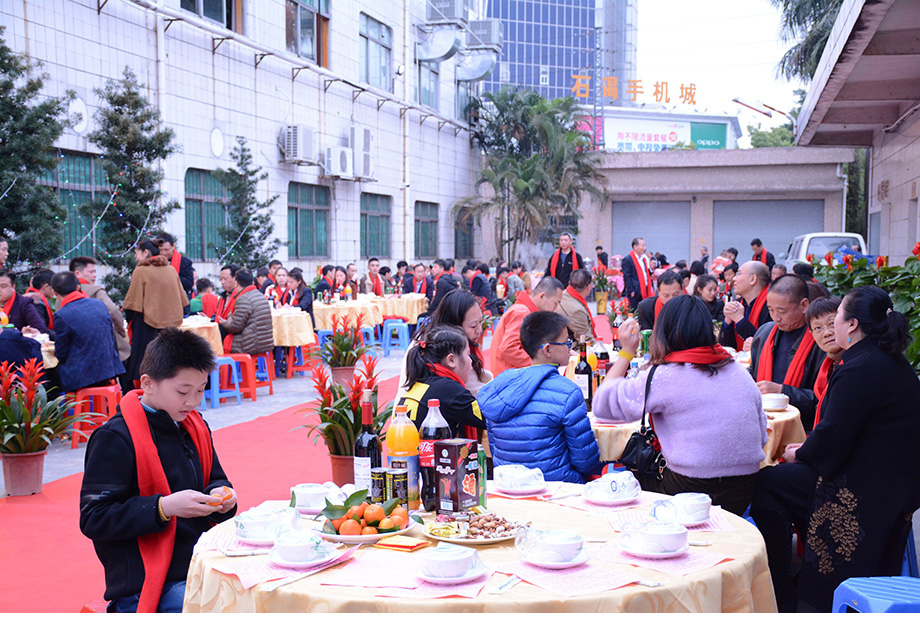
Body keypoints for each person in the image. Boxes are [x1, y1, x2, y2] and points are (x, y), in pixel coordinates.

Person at [750, 286, 920, 612]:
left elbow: (832, 439)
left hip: (868, 489)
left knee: (767, 482)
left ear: (852, 324)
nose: (830, 328)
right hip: (891, 479)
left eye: (837, 317)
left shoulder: (859, 368)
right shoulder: (882, 358)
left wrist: (799, 453)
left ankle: (784, 589)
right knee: (782, 479)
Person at [79, 328, 237, 613]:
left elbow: (215, 478)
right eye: (182, 391)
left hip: (200, 563)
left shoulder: (194, 426)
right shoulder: (116, 437)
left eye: (200, 390)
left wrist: (222, 496)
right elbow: (94, 518)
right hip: (148, 583)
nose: (192, 401)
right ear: (148, 383)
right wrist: (163, 508)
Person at [594, 297, 768, 514]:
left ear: (663, 332)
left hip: (686, 488)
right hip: (743, 490)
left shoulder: (664, 375)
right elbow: (762, 436)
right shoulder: (739, 371)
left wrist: (625, 354)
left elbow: (602, 405)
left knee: (627, 480)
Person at [479, 311, 603, 483]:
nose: (570, 348)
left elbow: (495, 448)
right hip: (557, 487)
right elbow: (586, 460)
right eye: (566, 342)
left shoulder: (499, 388)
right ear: (548, 349)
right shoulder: (568, 392)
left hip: (509, 485)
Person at [749, 275, 826, 432]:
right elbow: (753, 371)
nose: (776, 317)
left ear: (804, 305)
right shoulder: (764, 333)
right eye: (771, 310)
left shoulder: (821, 341)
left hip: (802, 429)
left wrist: (782, 392)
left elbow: (824, 399)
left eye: (782, 311)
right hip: (762, 424)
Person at [122, 240, 189, 392]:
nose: (137, 258)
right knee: (169, 363)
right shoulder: (171, 270)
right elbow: (183, 301)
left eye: (137, 254)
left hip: (146, 325)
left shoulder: (141, 270)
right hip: (171, 325)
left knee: (145, 364)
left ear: (145, 252)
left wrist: (130, 320)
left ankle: (144, 393)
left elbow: (132, 304)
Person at [396, 325, 486, 437]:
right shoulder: (449, 389)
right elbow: (489, 417)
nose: (471, 361)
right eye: (468, 355)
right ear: (451, 360)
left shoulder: (421, 381)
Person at [49, 271, 124, 393]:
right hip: (108, 370)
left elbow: (61, 354)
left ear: (54, 292)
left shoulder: (62, 315)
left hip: (83, 376)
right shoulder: (99, 304)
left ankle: (63, 406)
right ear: (78, 287)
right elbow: (111, 337)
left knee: (49, 377)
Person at [490, 276, 564, 376]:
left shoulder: (524, 310)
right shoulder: (521, 312)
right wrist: (539, 365)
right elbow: (509, 348)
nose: (556, 309)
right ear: (542, 296)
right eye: (556, 303)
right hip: (510, 377)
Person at [71, 256, 130, 362]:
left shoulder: (62, 295)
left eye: (95, 272)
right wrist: (121, 331)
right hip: (101, 347)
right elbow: (113, 310)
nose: (94, 275)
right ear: (77, 273)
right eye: (91, 272)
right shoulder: (96, 291)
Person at [218, 269, 274, 356]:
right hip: (264, 343)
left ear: (236, 283)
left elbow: (235, 327)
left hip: (249, 344)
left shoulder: (244, 298)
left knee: (219, 333)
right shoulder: (259, 295)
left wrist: (224, 323)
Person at [719, 261, 770, 350]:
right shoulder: (739, 303)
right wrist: (728, 321)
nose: (734, 279)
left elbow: (763, 344)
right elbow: (726, 346)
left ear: (752, 279)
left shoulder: (771, 306)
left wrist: (740, 320)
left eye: (738, 274)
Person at [0, 267, 49, 334]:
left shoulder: (23, 304)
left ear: (13, 286)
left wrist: (22, 335)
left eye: (3, 286)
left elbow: (41, 329)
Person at [557, 268, 596, 341]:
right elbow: (585, 340)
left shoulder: (563, 294)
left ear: (569, 283)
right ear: (588, 287)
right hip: (569, 346)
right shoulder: (577, 310)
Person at [157, 233, 194, 300]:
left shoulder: (185, 262)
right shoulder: (153, 262)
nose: (163, 253)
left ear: (173, 246)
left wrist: (172, 276)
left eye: (166, 250)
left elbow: (189, 284)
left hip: (178, 299)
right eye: (161, 250)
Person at [621, 237, 653, 311]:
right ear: (635, 246)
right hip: (635, 291)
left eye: (645, 246)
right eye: (642, 246)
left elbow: (646, 273)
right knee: (635, 312)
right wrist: (631, 290)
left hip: (645, 289)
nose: (645, 248)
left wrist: (651, 269)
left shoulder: (644, 259)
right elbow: (627, 276)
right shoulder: (628, 259)